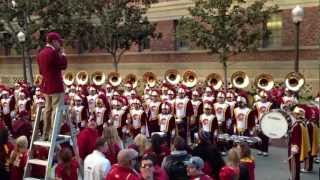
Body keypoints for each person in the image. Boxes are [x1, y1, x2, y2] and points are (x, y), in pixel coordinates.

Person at [37, 32, 67, 141]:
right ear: (54, 41)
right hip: (56, 86)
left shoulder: (40, 53)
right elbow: (63, 65)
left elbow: (41, 71)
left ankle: (45, 133)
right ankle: (52, 134)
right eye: (59, 42)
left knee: (48, 110)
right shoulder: (53, 52)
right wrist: (63, 55)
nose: (60, 44)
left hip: (46, 86)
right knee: (56, 110)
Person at [288, 106, 310, 180]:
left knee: (294, 164)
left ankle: (294, 178)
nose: (293, 115)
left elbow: (296, 138)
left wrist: (294, 149)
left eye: (295, 114)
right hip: (298, 146)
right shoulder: (303, 123)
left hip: (294, 146)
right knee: (296, 163)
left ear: (298, 115)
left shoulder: (297, 125)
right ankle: (295, 177)